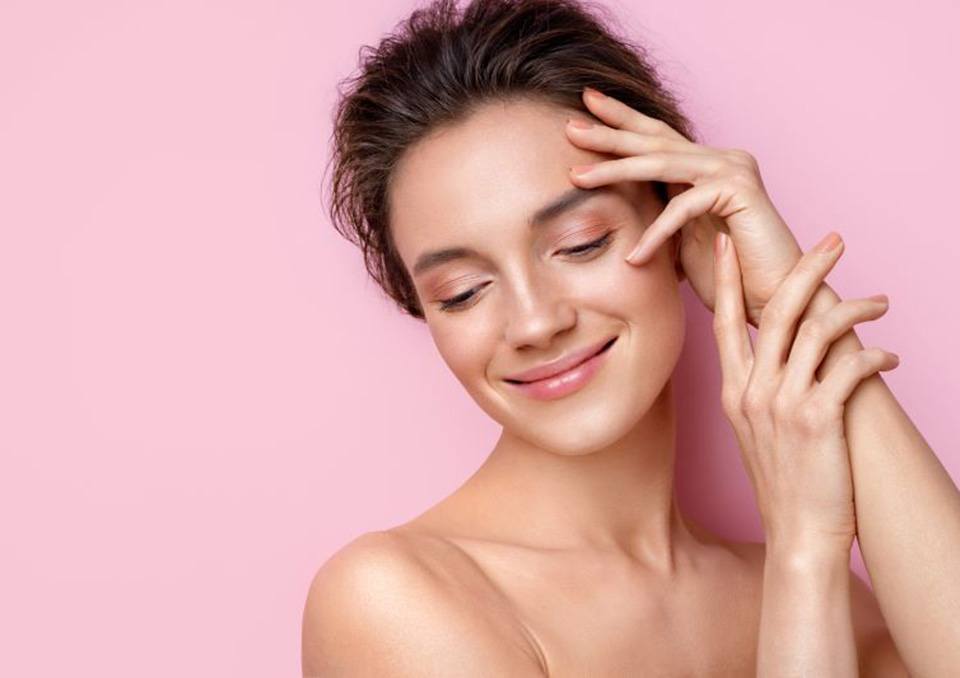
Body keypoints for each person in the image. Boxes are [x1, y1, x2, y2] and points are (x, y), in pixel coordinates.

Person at [303, 0, 960, 675]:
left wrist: (793, 307)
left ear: (678, 220)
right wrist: (802, 558)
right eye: (462, 292)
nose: (534, 323)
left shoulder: (834, 600)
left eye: (580, 244)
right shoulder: (396, 603)